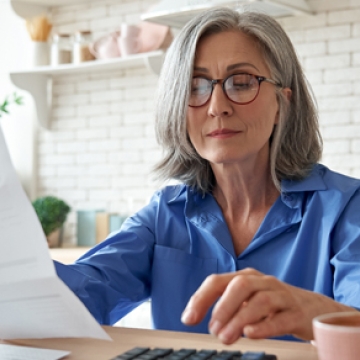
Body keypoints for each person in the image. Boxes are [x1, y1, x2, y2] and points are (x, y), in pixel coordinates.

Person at [55, 7, 360, 344]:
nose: (217, 106)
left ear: (282, 104)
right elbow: (77, 294)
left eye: (241, 83)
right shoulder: (163, 216)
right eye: (195, 86)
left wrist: (313, 311)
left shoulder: (345, 208)